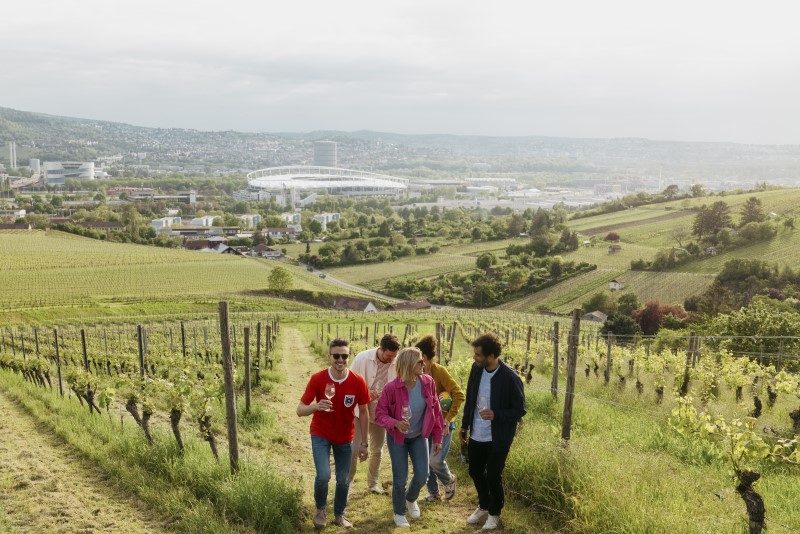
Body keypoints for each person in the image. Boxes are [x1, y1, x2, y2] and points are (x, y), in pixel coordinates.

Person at [297, 338, 370, 529]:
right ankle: (320, 509)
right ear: (329, 356)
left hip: (345, 437)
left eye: (344, 356)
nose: (340, 360)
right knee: (323, 475)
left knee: (343, 480)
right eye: (336, 356)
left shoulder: (357, 381)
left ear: (348, 357)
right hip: (320, 433)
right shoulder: (318, 378)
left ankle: (339, 514)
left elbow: (363, 412)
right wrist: (315, 406)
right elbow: (300, 410)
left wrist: (364, 442)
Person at [459, 333, 526, 531]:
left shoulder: (510, 377)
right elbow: (470, 398)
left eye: (478, 355)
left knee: (493, 475)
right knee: (475, 470)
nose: (474, 358)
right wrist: (464, 425)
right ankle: (484, 505)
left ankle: (494, 513)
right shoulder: (476, 369)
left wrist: (496, 414)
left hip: (498, 436)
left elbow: (520, 410)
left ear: (491, 355)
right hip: (477, 432)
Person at [375, 347, 444, 528]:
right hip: (398, 438)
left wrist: (437, 438)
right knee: (400, 478)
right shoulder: (391, 388)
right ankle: (399, 512)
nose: (424, 364)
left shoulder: (428, 382)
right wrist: (395, 422)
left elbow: (436, 412)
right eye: (419, 362)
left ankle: (411, 499)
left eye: (423, 361)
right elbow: (379, 414)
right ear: (408, 364)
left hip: (419, 436)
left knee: (423, 474)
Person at [415, 334, 465, 502]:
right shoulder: (417, 373)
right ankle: (433, 493)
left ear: (426, 358)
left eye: (420, 359)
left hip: (442, 424)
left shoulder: (439, 371)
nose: (418, 363)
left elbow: (458, 394)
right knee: (425, 460)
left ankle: (449, 480)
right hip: (425, 424)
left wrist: (448, 419)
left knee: (435, 460)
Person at [348, 333, 400, 493]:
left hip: (382, 414)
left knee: (377, 450)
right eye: (389, 356)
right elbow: (349, 383)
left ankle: (373, 484)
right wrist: (365, 393)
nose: (391, 359)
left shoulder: (396, 362)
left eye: (394, 356)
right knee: (354, 448)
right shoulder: (362, 358)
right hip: (360, 411)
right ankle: (348, 483)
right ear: (381, 349)